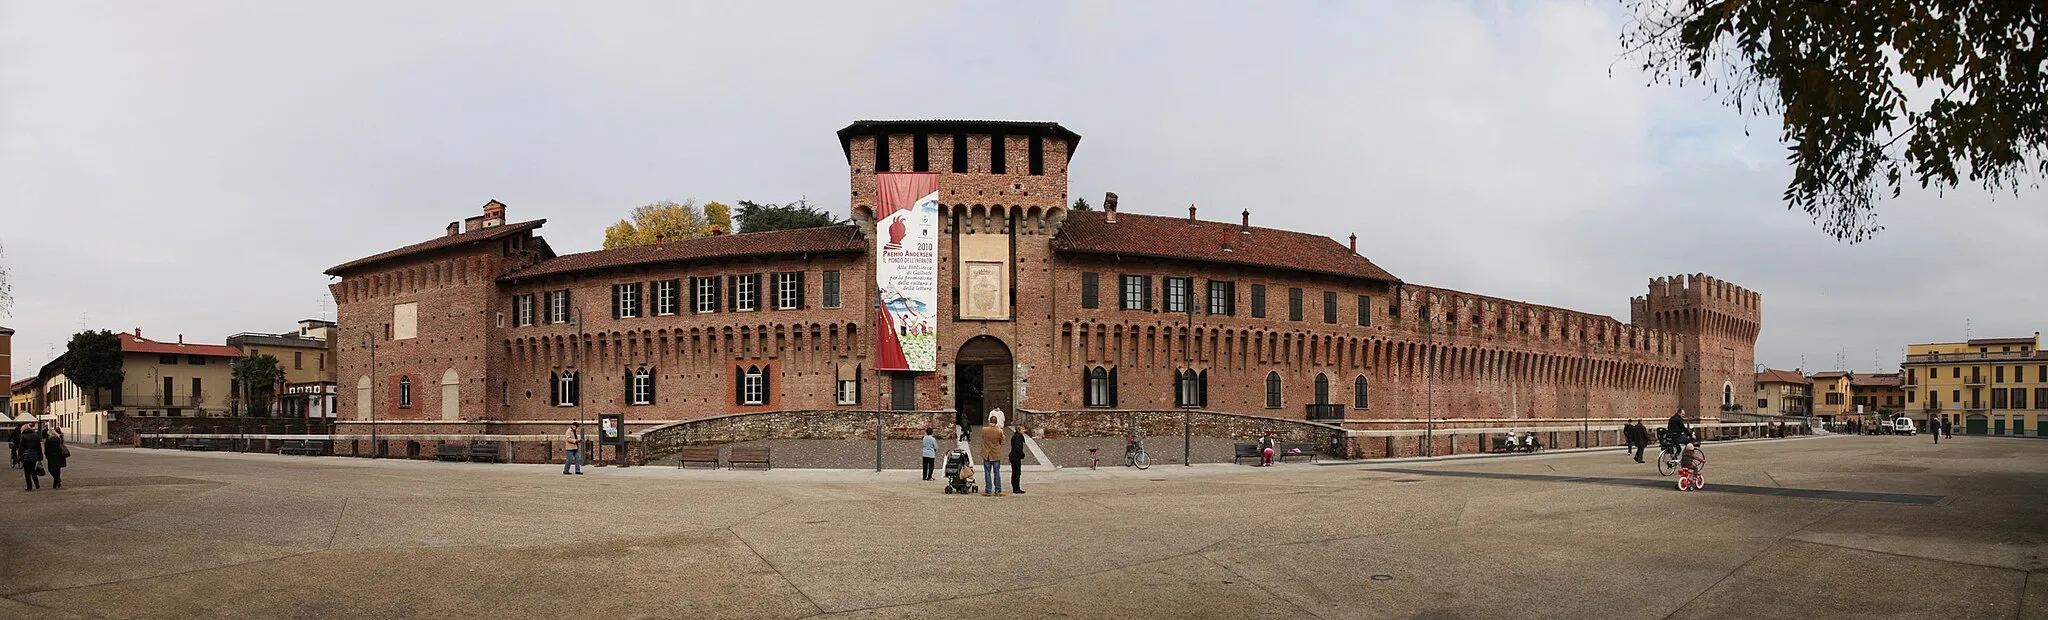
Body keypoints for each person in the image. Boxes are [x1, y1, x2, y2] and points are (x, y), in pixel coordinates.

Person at [980, 409, 1006, 497]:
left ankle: (988, 490)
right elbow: (1001, 440)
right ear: (996, 422)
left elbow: (983, 438)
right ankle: (998, 490)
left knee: (987, 472)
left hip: (987, 452)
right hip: (996, 452)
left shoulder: (984, 429)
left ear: (990, 421)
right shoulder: (999, 431)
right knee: (997, 472)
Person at [16, 424, 44, 491]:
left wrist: (20, 455)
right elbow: (39, 447)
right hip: (34, 456)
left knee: (27, 472)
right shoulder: (35, 436)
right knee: (33, 470)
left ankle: (29, 486)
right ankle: (37, 484)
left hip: (26, 456)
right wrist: (40, 457)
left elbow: (22, 447)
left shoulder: (23, 436)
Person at [1008, 424, 1027, 494]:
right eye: (1023, 429)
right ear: (1019, 430)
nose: (1024, 430)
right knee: (1016, 472)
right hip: (1015, 456)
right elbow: (1017, 448)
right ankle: (1016, 488)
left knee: (1016, 472)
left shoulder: (1017, 436)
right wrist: (1022, 454)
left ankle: (1016, 487)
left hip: (1015, 456)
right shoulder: (1017, 437)